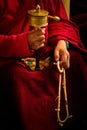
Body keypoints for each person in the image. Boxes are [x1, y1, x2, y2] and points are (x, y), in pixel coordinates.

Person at [0, 0, 87, 130]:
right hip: (10, 56)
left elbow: (60, 21)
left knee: (74, 61)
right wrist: (22, 42)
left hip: (47, 49)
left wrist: (61, 41)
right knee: (17, 78)